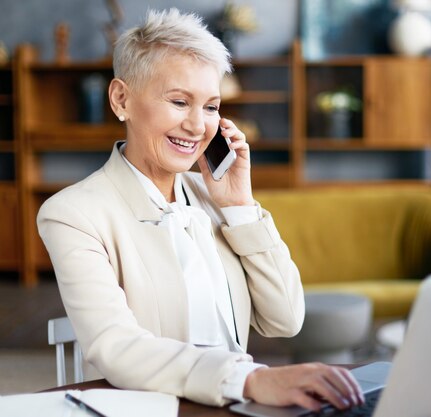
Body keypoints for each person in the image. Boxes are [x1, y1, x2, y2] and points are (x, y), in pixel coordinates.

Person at [37, 8, 363, 411]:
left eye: (211, 107)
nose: (197, 126)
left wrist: (239, 207)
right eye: (179, 101)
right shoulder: (72, 213)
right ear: (122, 98)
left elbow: (285, 318)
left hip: (234, 406)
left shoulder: (214, 197)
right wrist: (251, 379)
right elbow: (116, 346)